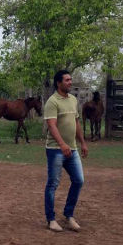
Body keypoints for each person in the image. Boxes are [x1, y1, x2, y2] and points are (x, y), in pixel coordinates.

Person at [43, 69, 88, 232]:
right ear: (59, 83)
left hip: (73, 149)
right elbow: (51, 125)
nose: (70, 82)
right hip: (55, 149)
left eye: (71, 80)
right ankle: (51, 219)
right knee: (53, 184)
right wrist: (62, 144)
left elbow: (76, 123)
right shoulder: (52, 102)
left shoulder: (73, 100)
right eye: (67, 80)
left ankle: (68, 215)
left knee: (79, 180)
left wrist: (82, 142)